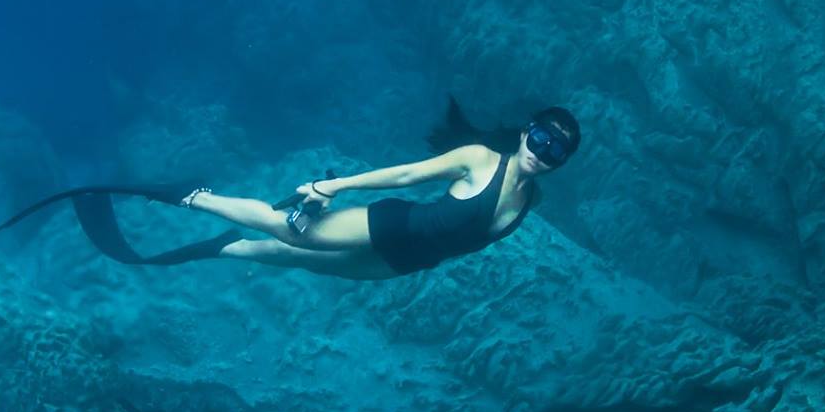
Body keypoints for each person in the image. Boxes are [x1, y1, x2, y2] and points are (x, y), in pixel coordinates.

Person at [168, 105, 580, 279]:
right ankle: (196, 197)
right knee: (291, 232)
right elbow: (406, 175)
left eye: (556, 150)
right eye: (541, 138)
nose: (542, 152)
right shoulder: (480, 158)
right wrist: (334, 185)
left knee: (300, 259)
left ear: (561, 162)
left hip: (410, 261)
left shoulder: (532, 200)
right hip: (392, 226)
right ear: (526, 132)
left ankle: (226, 248)